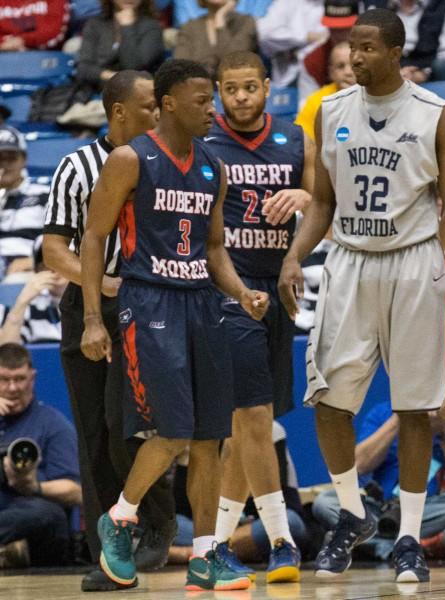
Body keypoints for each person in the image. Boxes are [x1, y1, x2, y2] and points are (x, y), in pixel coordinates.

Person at [276, 8, 445, 583]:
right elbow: (323, 202)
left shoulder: (436, 114)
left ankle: (407, 535)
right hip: (349, 261)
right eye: (351, 46)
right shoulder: (330, 111)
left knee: (413, 406)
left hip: (416, 262)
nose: (355, 56)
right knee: (327, 397)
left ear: (397, 51)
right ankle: (352, 512)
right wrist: (293, 256)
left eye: (367, 47)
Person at [79, 58, 270, 592]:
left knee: (211, 436)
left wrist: (241, 291)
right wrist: (94, 318)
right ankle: (119, 518)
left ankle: (207, 556)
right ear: (167, 103)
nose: (213, 110)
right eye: (202, 100)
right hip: (150, 303)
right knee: (174, 430)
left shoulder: (214, 166)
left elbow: (213, 249)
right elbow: (93, 238)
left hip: (203, 304)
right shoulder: (129, 159)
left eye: (212, 100)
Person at [42, 70, 178, 592]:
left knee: (145, 426)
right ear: (119, 111)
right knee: (97, 435)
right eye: (149, 105)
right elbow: (55, 249)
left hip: (156, 304)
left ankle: (160, 518)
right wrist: (104, 283)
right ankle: (108, 560)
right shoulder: (77, 167)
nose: (159, 113)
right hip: (91, 304)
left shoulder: (167, 159)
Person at [203, 50, 314, 584]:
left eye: (250, 87)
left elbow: (327, 209)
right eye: (231, 88)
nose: (241, 97)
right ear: (220, 90)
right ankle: (283, 543)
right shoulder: (205, 142)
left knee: (247, 431)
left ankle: (217, 545)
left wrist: (305, 194)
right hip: (229, 288)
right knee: (252, 418)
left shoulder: (296, 139)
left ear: (268, 87)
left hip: (280, 290)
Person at [311, 400, 445, 561]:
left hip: (425, 509)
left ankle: (368, 545)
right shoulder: (381, 413)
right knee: (325, 502)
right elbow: (359, 465)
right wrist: (398, 419)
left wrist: (444, 431)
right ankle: (413, 545)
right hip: (378, 508)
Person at [169, 422, 313, 566]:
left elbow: (287, 502)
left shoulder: (269, 430)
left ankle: (200, 552)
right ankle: (216, 549)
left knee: (291, 522)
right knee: (173, 524)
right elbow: (184, 507)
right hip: (211, 527)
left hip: (256, 522)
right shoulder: (195, 438)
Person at [0, 343, 81, 568]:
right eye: (4, 380)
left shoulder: (53, 425)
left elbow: (76, 492)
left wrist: (33, 486)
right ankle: (8, 554)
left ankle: (11, 553)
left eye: (20, 379)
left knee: (48, 515)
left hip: (27, 513)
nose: (13, 387)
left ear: (32, 378)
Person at [76, 0, 165, 97]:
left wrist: (127, 27)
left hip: (137, 97)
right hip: (98, 95)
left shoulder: (151, 27)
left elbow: (134, 67)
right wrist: (114, 77)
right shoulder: (95, 24)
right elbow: (83, 68)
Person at [0, 125, 50, 276]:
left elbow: (66, 241)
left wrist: (33, 260)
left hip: (27, 272)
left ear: (24, 159)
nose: (5, 164)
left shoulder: (44, 196)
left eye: (11, 157)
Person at [383, 0, 445, 82]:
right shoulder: (377, 5)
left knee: (443, 67)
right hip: (383, 75)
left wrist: (424, 74)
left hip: (429, 78)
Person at [174, 0, 258, 76]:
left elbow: (234, 63)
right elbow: (181, 68)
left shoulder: (245, 22)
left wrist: (220, 20)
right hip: (196, 89)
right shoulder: (190, 27)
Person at [295, 40, 355, 142]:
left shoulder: (374, 96)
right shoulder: (316, 101)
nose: (348, 72)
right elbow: (301, 140)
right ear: (331, 73)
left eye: (354, 65)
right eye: (340, 66)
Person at [0, 0, 69, 51]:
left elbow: (54, 30)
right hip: (4, 52)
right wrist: (3, 43)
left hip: (47, 54)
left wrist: (23, 40)